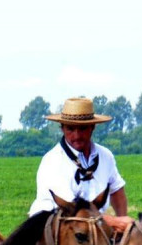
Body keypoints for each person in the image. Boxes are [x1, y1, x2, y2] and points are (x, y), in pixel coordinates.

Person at [28, 97, 132, 234]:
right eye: (70, 129)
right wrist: (114, 222)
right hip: (56, 232)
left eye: (82, 129)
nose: (77, 135)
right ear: (62, 128)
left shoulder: (105, 156)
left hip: (94, 229)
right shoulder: (52, 161)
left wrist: (122, 225)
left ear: (92, 127)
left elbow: (117, 190)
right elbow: (74, 213)